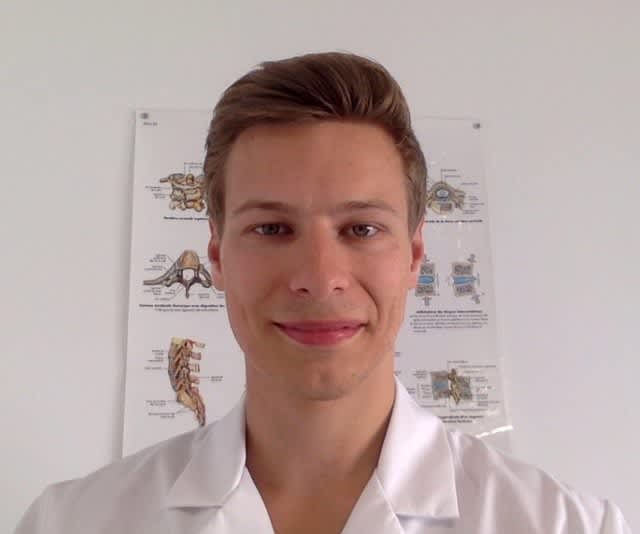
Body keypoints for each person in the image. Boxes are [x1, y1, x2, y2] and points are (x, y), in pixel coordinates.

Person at [15, 52, 631, 534]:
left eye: (361, 229)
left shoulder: (564, 525)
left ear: (414, 255)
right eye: (272, 228)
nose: (319, 275)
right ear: (218, 257)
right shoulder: (74, 522)